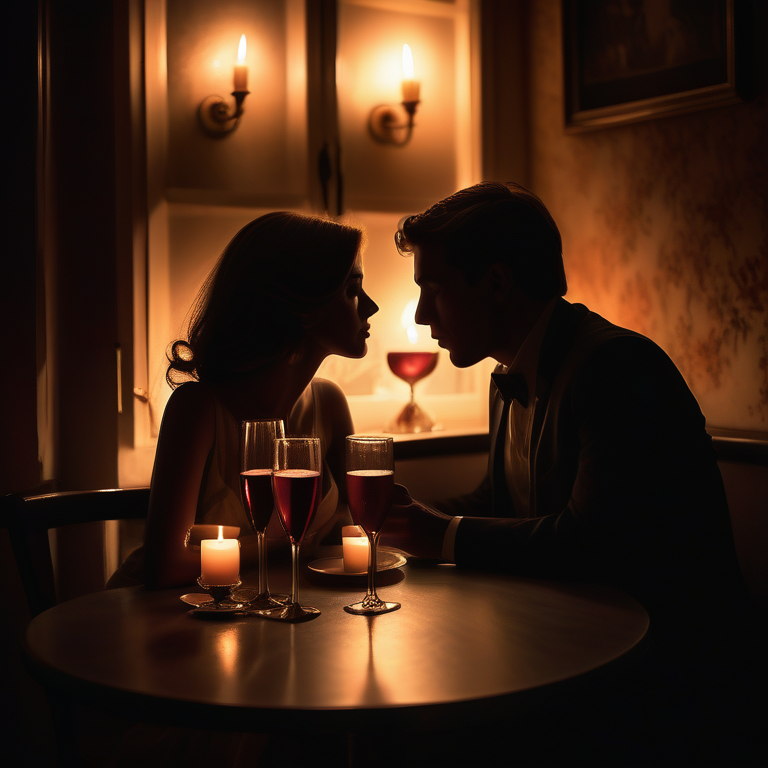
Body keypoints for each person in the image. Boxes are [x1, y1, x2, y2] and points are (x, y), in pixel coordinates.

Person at [381, 181, 762, 765]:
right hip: (561, 651)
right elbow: (500, 499)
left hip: (660, 684)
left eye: (432, 287)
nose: (421, 312)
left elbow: (594, 542)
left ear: (498, 282)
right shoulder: (508, 373)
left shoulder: (615, 367)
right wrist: (396, 525)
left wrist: (443, 535)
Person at [110, 211, 378, 589]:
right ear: (301, 303)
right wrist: (282, 545)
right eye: (352, 290)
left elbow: (351, 534)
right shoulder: (198, 409)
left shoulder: (329, 404)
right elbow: (165, 566)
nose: (370, 306)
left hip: (274, 623)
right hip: (169, 628)